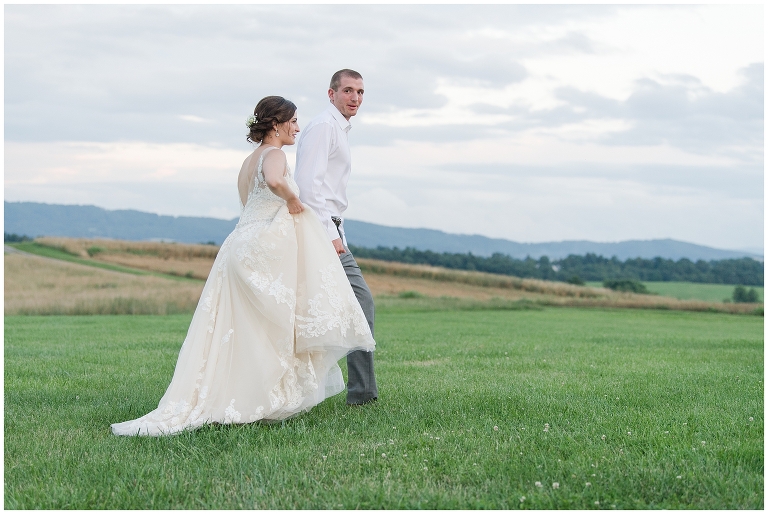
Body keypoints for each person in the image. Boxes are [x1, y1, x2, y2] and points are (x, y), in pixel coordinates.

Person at [111, 96, 375, 436]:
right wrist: (295, 201)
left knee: (237, 329)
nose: (297, 128)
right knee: (272, 327)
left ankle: (235, 393)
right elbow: (276, 181)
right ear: (277, 123)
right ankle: (260, 396)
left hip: (237, 247)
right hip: (260, 251)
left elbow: (248, 204)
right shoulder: (274, 155)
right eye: (293, 121)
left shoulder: (246, 162)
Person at [294, 69, 378, 406]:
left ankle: (359, 391)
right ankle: (361, 394)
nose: (355, 98)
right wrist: (330, 235)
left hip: (333, 230)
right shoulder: (324, 127)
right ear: (331, 94)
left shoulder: (338, 129)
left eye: (360, 92)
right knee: (361, 302)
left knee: (336, 307)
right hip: (323, 233)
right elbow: (308, 186)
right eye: (347, 91)